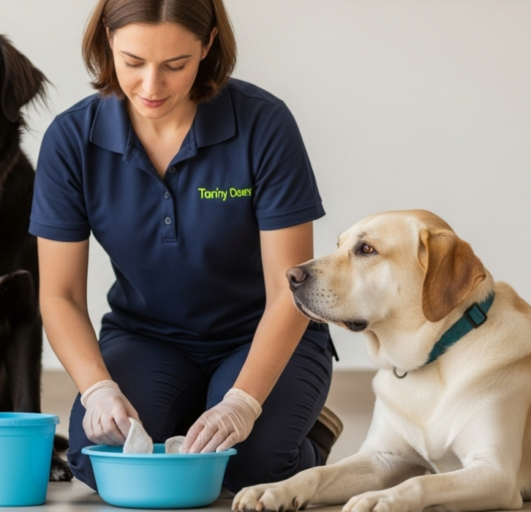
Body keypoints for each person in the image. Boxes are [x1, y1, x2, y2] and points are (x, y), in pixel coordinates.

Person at [30, 0, 342, 491]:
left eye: (175, 65)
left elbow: (289, 290)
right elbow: (60, 295)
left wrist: (242, 401)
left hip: (259, 335)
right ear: (108, 39)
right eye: (133, 62)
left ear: (208, 44)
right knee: (99, 460)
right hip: (146, 338)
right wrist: (98, 389)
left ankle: (308, 432)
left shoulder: (263, 124)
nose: (151, 86)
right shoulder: (72, 140)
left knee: (246, 464)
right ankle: (194, 412)